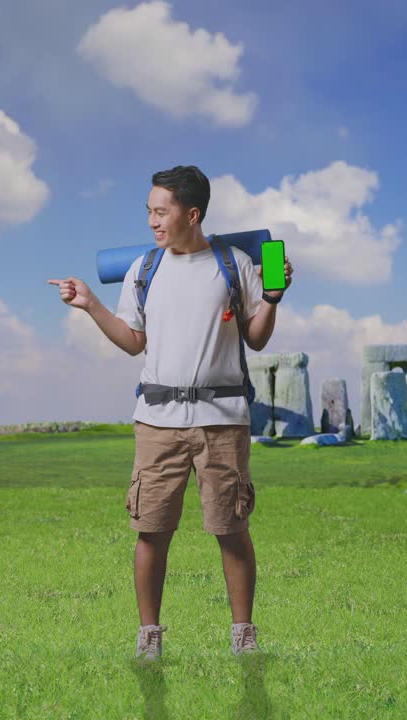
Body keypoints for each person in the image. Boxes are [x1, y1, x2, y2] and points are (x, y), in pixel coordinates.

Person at [47, 165, 293, 662]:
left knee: (231, 528)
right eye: (149, 211)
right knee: (151, 530)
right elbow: (133, 342)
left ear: (192, 214)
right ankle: (149, 637)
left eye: (161, 211)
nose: (153, 221)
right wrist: (92, 304)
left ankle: (243, 635)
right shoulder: (144, 269)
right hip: (156, 422)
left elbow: (258, 336)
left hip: (222, 421)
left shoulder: (235, 264)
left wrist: (271, 298)